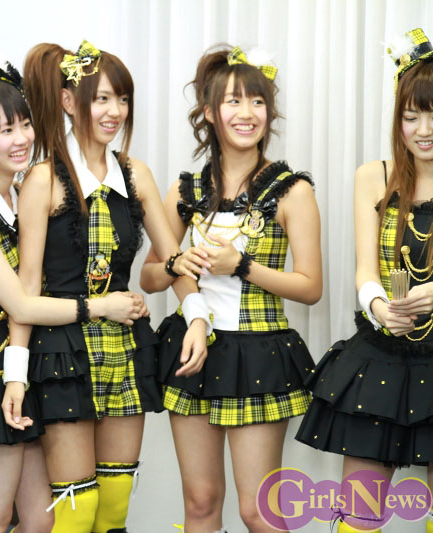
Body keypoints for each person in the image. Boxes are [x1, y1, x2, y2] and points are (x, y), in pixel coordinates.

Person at [0, 60, 148, 533]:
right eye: (5, 130)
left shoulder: (21, 193)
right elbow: (21, 301)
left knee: (42, 520)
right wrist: (103, 305)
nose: (21, 139)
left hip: (30, 363)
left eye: (25, 125)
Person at [17, 41, 200, 533]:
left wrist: (198, 316)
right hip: (62, 350)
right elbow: (25, 290)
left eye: (121, 99)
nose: (114, 111)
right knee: (77, 512)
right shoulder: (42, 179)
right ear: (68, 101)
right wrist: (16, 372)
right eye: (101, 99)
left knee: (114, 505)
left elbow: (172, 260)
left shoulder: (135, 173)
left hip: (124, 346)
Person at [141, 45, 322, 532]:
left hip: (258, 354)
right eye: (234, 101)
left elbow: (310, 287)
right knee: (200, 502)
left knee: (257, 510)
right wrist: (177, 262)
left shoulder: (291, 190)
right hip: (193, 349)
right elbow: (150, 275)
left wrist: (241, 265)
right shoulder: (186, 189)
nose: (248, 113)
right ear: (209, 112)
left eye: (258, 102)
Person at [296, 28, 433, 533]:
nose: (423, 130)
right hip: (382, 355)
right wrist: (379, 307)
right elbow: (364, 269)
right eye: (411, 116)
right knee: (359, 516)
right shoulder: (372, 175)